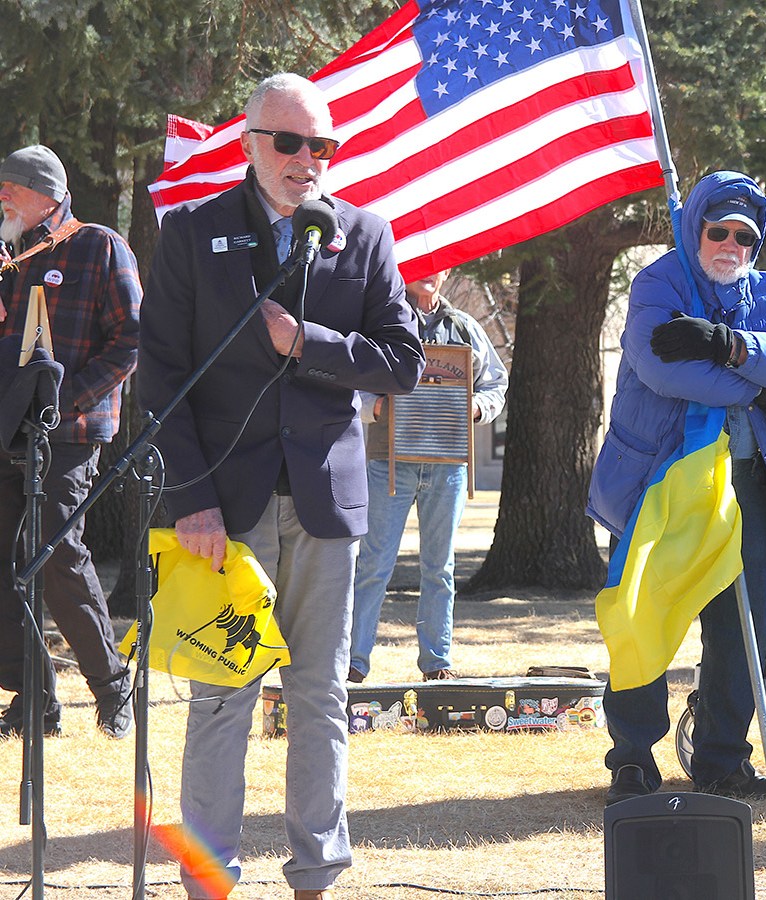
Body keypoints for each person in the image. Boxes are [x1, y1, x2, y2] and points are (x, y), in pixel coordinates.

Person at [138, 74, 424, 900]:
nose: (309, 162)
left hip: (325, 507)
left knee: (320, 696)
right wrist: (188, 496)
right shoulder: (193, 232)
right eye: (291, 143)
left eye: (323, 146)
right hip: (220, 511)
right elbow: (161, 374)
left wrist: (312, 343)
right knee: (222, 698)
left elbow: (402, 361)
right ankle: (208, 878)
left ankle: (316, 877)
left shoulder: (362, 233)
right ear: (250, 143)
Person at [587, 170, 766, 805]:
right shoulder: (659, 282)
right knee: (641, 614)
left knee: (739, 628)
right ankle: (632, 757)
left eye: (744, 237)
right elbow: (661, 368)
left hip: (747, 485)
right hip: (661, 482)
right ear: (695, 228)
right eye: (717, 231)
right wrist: (760, 383)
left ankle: (721, 759)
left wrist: (730, 344)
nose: (730, 245)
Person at [0, 144, 140, 739]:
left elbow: (133, 338)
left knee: (56, 554)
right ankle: (34, 699)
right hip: (8, 432)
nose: (1, 195)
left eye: (10, 186)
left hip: (71, 434)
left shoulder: (99, 245)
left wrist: (67, 399)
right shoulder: (8, 257)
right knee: (7, 564)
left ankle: (112, 688)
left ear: (47, 194)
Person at [349, 268, 508, 683]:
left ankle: (437, 663)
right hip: (388, 462)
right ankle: (353, 662)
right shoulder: (382, 322)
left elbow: (495, 383)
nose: (430, 274)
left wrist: (476, 409)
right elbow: (351, 378)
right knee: (373, 566)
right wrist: (376, 408)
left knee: (440, 568)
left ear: (449, 270)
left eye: (439, 265)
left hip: (448, 466)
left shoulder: (465, 327)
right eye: (421, 264)